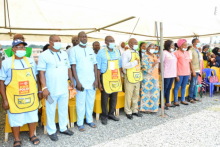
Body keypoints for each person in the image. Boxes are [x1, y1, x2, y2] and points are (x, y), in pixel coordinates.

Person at [0, 39, 42, 146]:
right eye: (18, 47)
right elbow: (1, 82)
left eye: (23, 47)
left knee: (32, 115)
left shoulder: (31, 61)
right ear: (13, 49)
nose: (21, 49)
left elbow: (36, 77)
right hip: (14, 97)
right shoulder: (6, 63)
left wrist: (40, 90)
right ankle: (17, 139)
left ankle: (32, 134)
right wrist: (4, 100)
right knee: (15, 118)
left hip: (31, 95)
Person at [38, 35, 74, 141]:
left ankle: (63, 128)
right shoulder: (43, 55)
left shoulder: (64, 54)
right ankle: (51, 131)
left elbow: (68, 68)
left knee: (63, 109)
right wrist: (44, 88)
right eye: (56, 40)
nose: (58, 42)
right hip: (50, 90)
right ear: (50, 42)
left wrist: (71, 81)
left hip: (64, 88)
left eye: (59, 40)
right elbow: (41, 73)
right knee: (50, 110)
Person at [69, 31, 98, 131]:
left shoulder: (90, 49)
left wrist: (96, 80)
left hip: (92, 81)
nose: (84, 38)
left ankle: (90, 120)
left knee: (90, 102)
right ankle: (80, 123)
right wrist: (77, 82)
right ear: (79, 38)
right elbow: (73, 66)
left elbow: (95, 65)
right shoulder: (74, 50)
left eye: (86, 36)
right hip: (80, 82)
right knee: (80, 103)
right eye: (82, 36)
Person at [96, 36, 122, 125]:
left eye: (113, 40)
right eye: (110, 41)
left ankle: (111, 114)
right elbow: (98, 68)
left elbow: (119, 65)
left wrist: (120, 78)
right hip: (105, 77)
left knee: (114, 97)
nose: (112, 42)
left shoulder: (117, 51)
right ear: (106, 42)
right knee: (105, 97)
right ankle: (104, 116)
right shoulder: (101, 52)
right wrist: (99, 82)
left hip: (115, 77)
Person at [122, 38, 143, 119]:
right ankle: (128, 111)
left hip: (137, 76)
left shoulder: (137, 52)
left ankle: (135, 110)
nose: (136, 44)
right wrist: (134, 63)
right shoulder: (126, 53)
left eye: (137, 42)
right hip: (129, 77)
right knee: (128, 96)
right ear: (130, 44)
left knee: (136, 95)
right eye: (135, 43)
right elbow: (124, 65)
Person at [138, 43, 159, 113]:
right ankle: (145, 109)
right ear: (147, 48)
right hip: (147, 79)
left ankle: (153, 108)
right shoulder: (145, 56)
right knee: (147, 94)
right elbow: (144, 67)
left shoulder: (154, 55)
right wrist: (153, 64)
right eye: (151, 47)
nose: (153, 48)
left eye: (154, 47)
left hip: (155, 78)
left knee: (154, 93)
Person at [159, 40, 177, 108]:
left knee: (169, 88)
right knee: (164, 88)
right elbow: (160, 62)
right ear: (168, 45)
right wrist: (161, 72)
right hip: (166, 73)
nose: (174, 46)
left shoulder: (172, 53)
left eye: (173, 45)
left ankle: (167, 102)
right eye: (172, 45)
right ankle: (162, 103)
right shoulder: (164, 53)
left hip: (172, 73)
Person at [173, 39, 191, 105]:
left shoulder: (187, 53)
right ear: (180, 45)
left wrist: (190, 73)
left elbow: (189, 63)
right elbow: (174, 65)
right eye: (184, 45)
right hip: (179, 73)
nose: (186, 46)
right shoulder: (176, 53)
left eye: (186, 45)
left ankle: (183, 100)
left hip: (187, 73)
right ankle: (175, 101)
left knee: (183, 87)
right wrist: (176, 75)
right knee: (177, 87)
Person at [188, 38, 202, 103]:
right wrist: (193, 71)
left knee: (195, 84)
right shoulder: (191, 50)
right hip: (193, 70)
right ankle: (190, 97)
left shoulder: (197, 50)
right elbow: (189, 62)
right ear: (194, 43)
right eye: (198, 42)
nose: (199, 43)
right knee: (192, 84)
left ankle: (194, 96)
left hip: (197, 69)